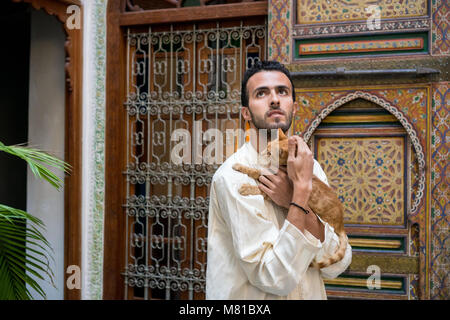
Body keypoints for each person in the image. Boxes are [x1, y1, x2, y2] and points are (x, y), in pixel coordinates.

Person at [205, 60, 352, 299]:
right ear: (246, 113)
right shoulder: (233, 176)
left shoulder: (310, 167)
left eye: (282, 91)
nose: (274, 99)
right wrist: (301, 196)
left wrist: (295, 201)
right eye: (261, 93)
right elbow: (274, 277)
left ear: (294, 108)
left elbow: (337, 264)